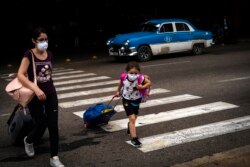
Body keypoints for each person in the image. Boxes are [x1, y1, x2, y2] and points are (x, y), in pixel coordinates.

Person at [17, 27, 65, 167]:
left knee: (53, 125)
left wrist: (46, 87)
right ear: (34, 41)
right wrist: (36, 89)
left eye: (46, 39)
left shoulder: (49, 54)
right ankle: (29, 140)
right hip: (34, 95)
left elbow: (48, 74)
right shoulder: (29, 54)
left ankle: (54, 157)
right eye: (40, 40)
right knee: (40, 125)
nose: (44, 42)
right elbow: (20, 74)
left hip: (50, 93)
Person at [115, 61, 151, 147]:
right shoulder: (123, 77)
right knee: (132, 118)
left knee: (135, 117)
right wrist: (117, 91)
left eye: (136, 73)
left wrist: (142, 87)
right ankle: (134, 139)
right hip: (126, 100)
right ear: (127, 71)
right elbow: (120, 83)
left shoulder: (141, 78)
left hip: (136, 100)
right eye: (131, 73)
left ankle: (130, 126)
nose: (133, 75)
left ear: (139, 72)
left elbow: (149, 83)